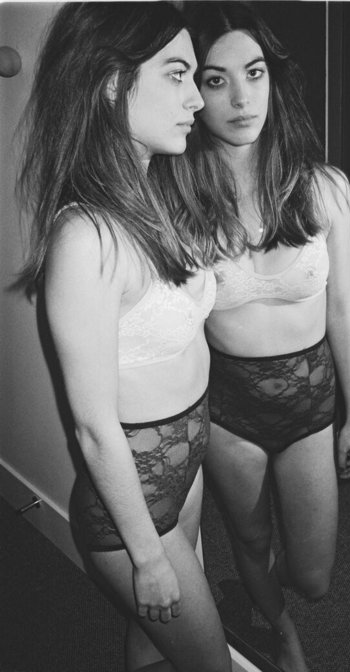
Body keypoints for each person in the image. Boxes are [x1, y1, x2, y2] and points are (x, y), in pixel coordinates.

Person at [17, 3, 232, 671]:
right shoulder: (86, 238)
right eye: (176, 74)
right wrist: (147, 558)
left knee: (153, 641)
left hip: (182, 464)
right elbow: (92, 427)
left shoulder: (157, 197)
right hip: (132, 501)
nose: (197, 98)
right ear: (112, 84)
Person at [184, 2, 350, 671]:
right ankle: (277, 626)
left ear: (273, 78)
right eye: (216, 80)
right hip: (228, 409)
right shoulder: (177, 200)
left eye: (254, 72)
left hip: (310, 405)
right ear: (192, 93)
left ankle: (273, 593)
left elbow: (342, 308)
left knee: (313, 573)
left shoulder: (326, 188)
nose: (241, 98)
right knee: (250, 540)